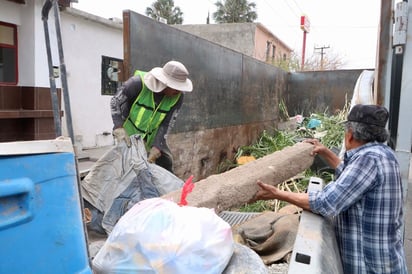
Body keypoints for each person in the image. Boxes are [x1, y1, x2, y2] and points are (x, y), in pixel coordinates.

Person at [254, 104, 407, 273]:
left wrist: (277, 194)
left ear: (349, 135)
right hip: (385, 260)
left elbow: (326, 203)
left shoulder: (368, 160)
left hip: (370, 266)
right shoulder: (383, 153)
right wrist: (326, 152)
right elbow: (352, 182)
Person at [110, 60, 193, 173]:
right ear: (165, 83)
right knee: (126, 169)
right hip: (128, 135)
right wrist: (118, 127)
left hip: (150, 138)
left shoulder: (178, 97)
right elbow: (115, 102)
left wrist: (157, 145)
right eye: (176, 87)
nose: (179, 91)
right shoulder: (137, 83)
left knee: (165, 164)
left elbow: (167, 123)